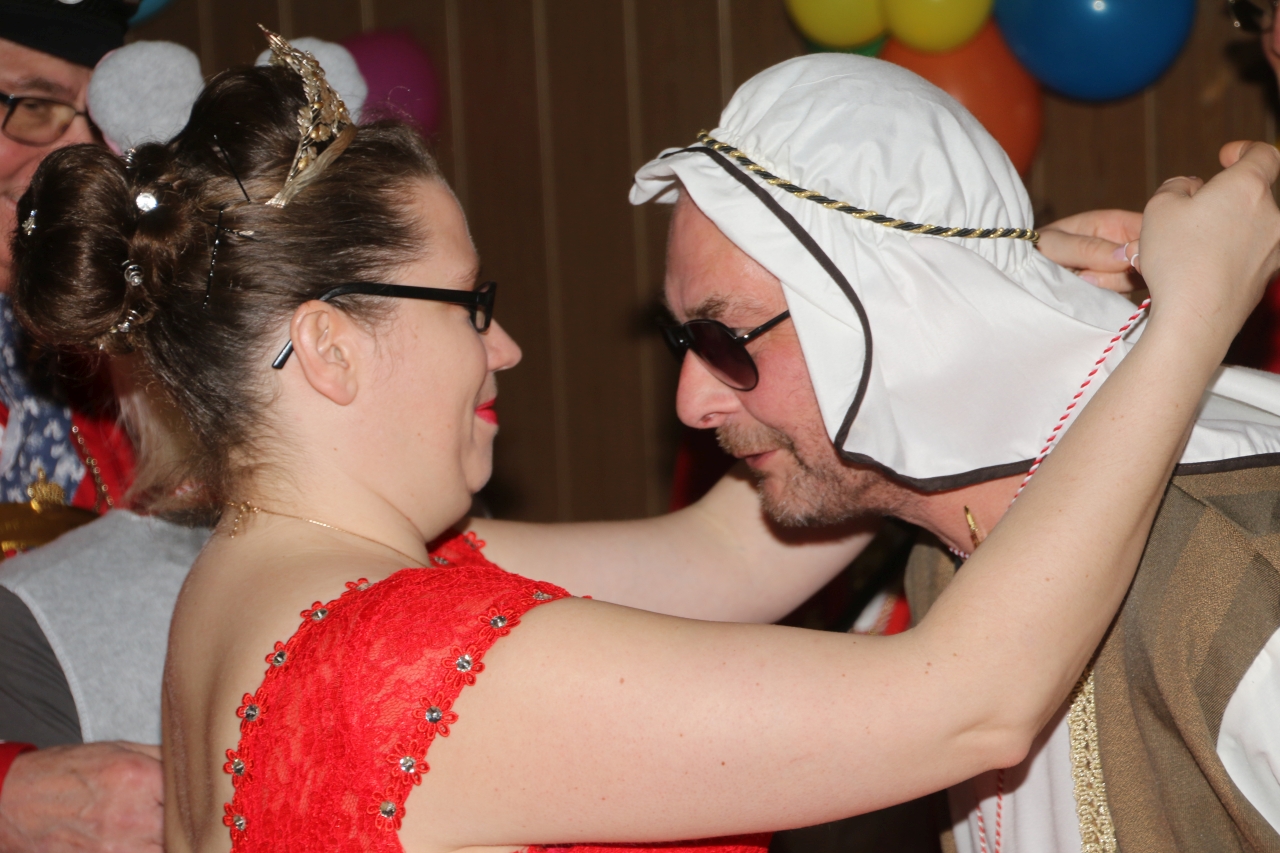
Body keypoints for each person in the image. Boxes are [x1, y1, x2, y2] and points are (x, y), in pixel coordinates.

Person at [12, 35, 1278, 853]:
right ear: (331, 346)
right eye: (471, 306)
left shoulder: (253, 588)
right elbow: (969, 706)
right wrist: (1191, 316)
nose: (505, 350)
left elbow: (731, 556)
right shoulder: (404, 661)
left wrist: (961, 299)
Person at [620, 56, 1280, 852]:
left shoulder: (1237, 568)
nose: (691, 403)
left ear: (889, 316)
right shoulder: (946, 559)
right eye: (685, 341)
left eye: (724, 339)